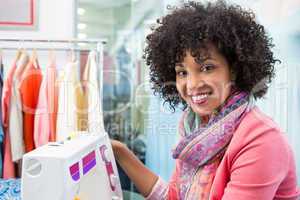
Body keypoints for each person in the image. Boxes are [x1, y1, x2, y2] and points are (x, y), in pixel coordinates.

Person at [111, 0, 300, 199]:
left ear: (234, 70)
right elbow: (173, 196)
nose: (192, 84)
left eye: (207, 68)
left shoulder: (260, 140)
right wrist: (120, 151)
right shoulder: (198, 132)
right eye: (182, 72)